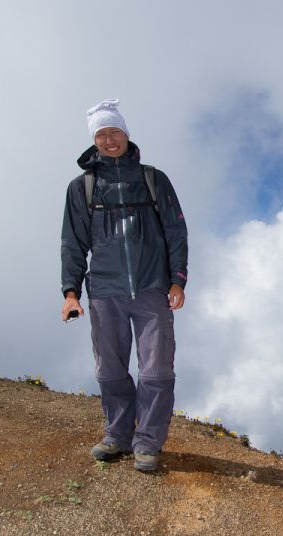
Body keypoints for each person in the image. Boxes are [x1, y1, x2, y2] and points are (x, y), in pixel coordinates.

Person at [60, 99, 188, 472]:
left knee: (156, 371)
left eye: (114, 131)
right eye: (101, 134)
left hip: (151, 287)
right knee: (110, 371)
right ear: (94, 140)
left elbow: (175, 232)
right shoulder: (82, 187)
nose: (109, 140)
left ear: (126, 134)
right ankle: (117, 435)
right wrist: (71, 292)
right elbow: (72, 242)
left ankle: (147, 443)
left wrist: (177, 279)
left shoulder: (153, 179)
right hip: (104, 291)